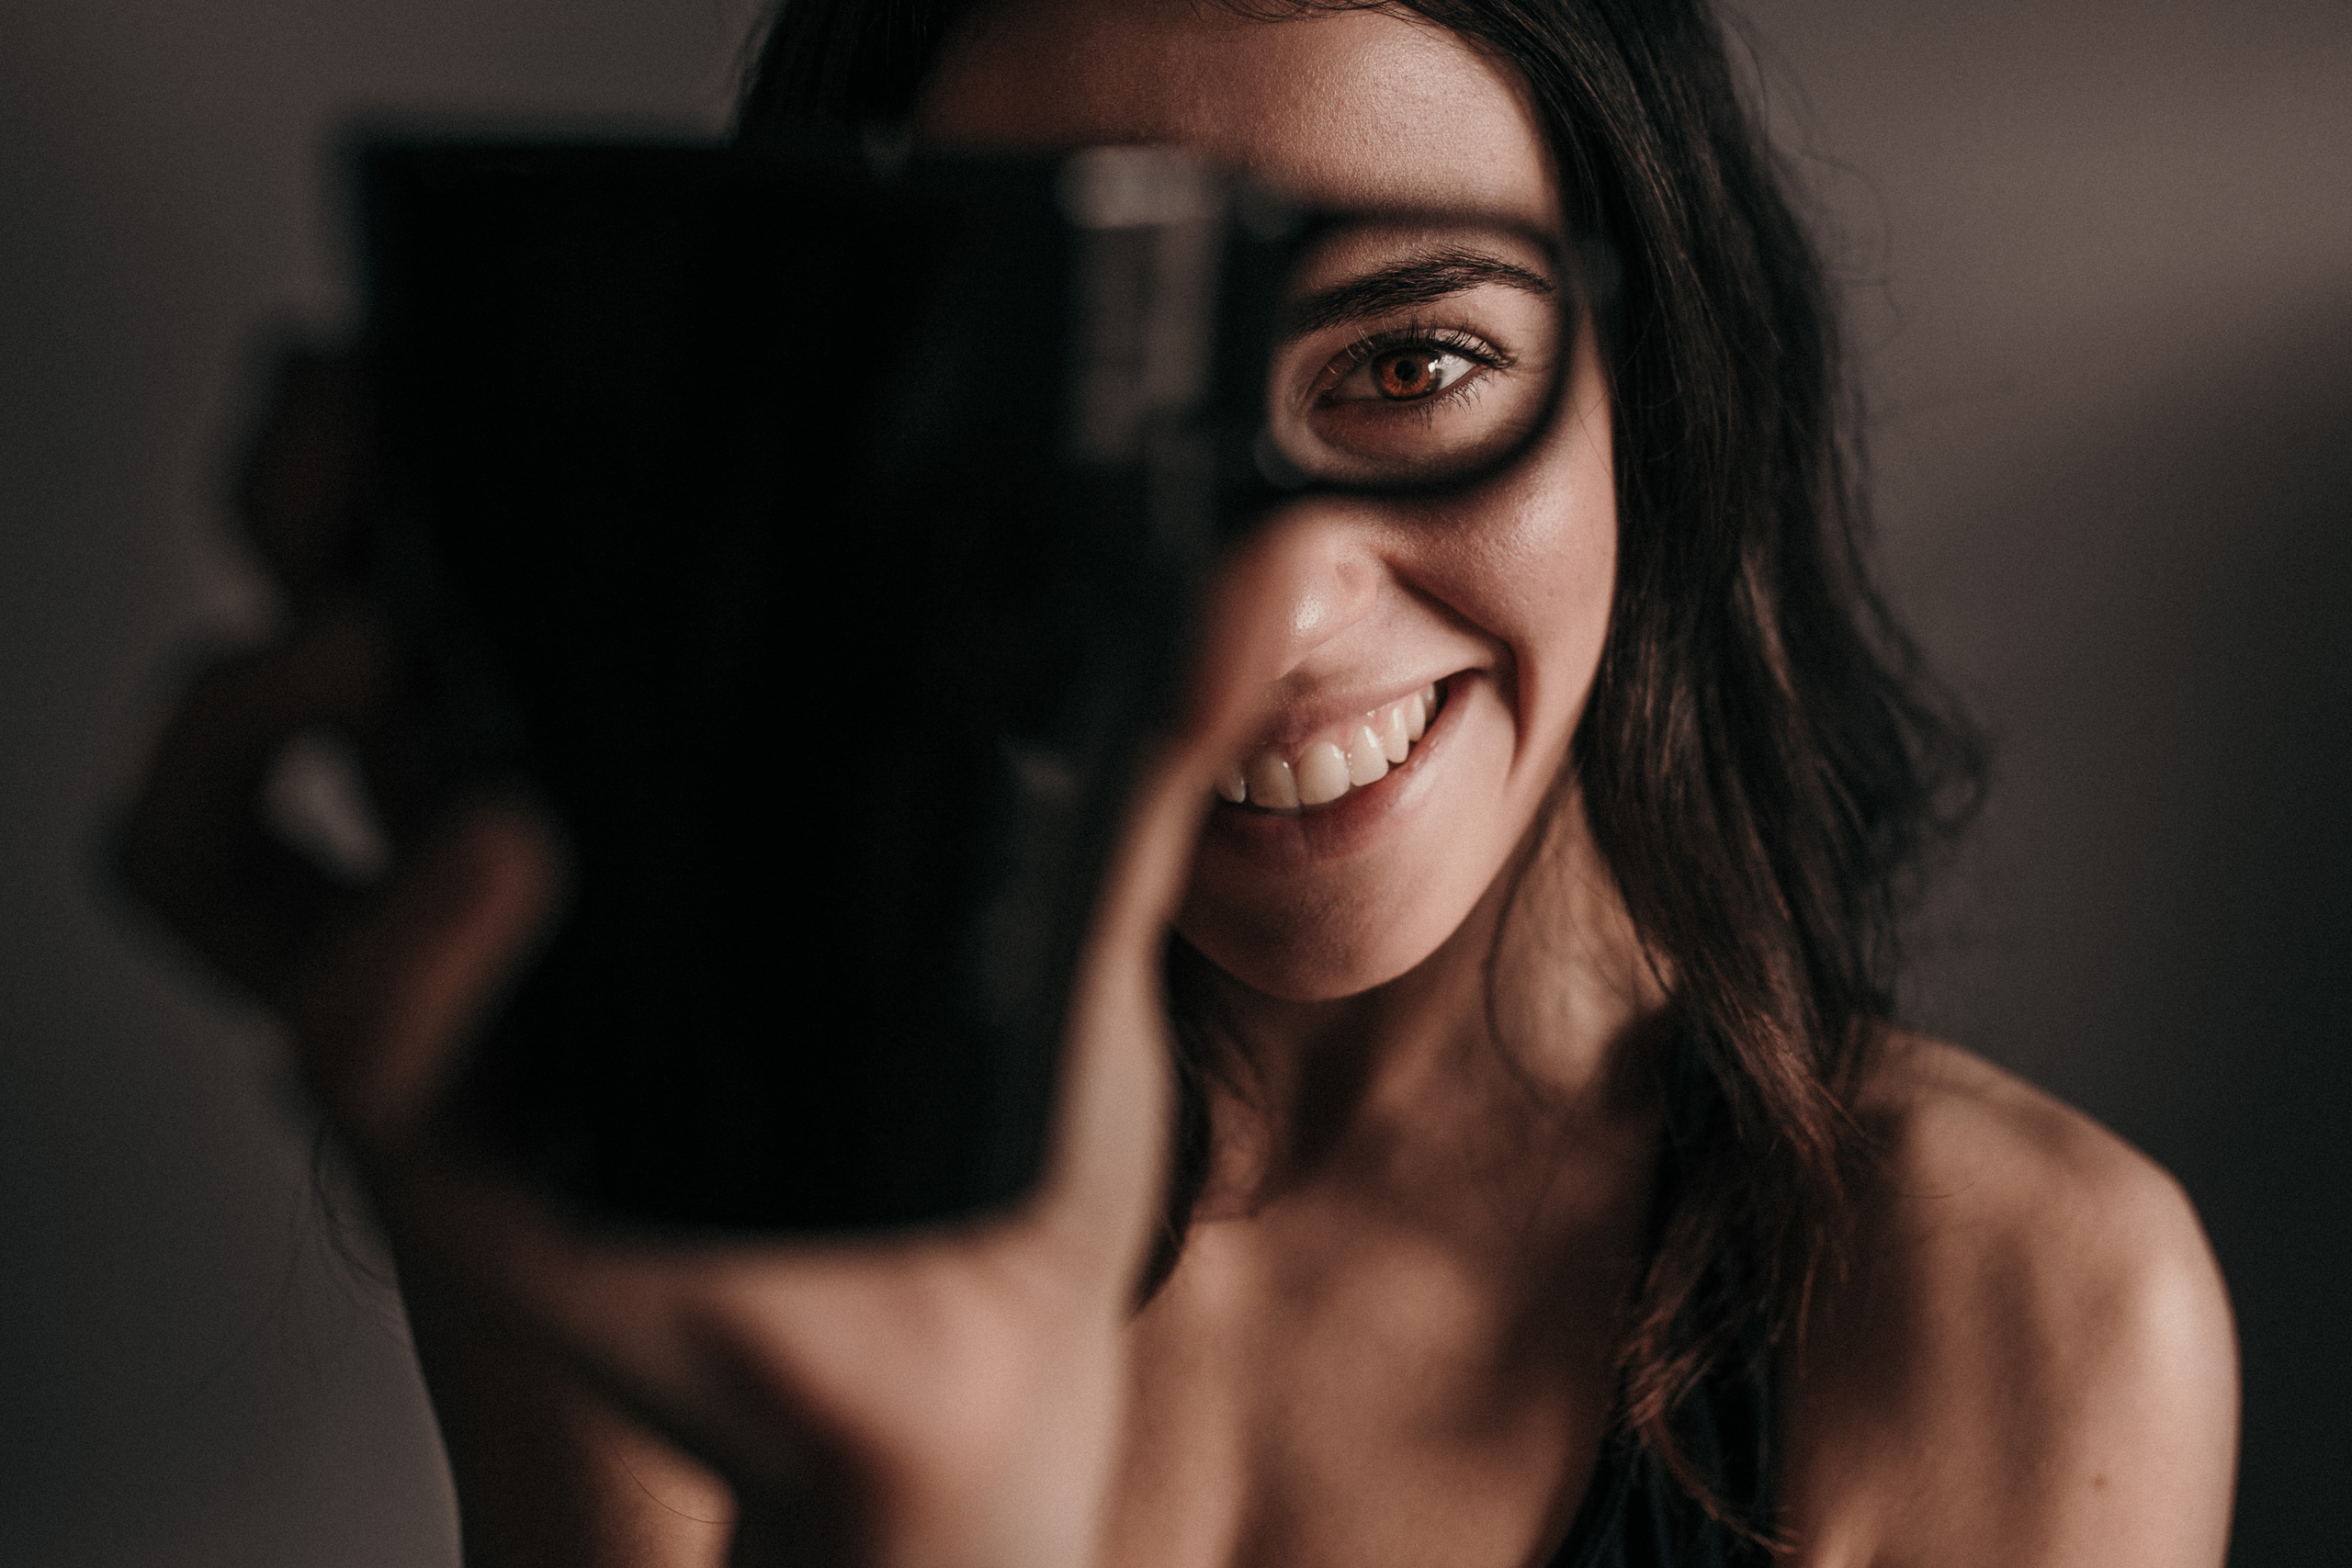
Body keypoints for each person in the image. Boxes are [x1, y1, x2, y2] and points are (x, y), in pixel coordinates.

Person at [116, 0, 2240, 1563]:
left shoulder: (2004, 1301)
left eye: (1408, 365)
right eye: (1092, 409)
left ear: (1650, 395)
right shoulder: (723, 1195)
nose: (1277, 615)